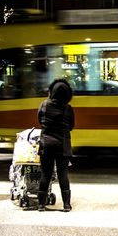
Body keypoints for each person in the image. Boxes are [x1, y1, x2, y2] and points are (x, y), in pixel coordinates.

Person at [37, 79, 75, 212]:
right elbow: (71, 126)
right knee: (63, 175)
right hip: (63, 146)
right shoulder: (68, 109)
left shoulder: (44, 105)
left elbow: (40, 120)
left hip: (46, 145)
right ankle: (66, 205)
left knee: (45, 175)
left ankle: (41, 205)